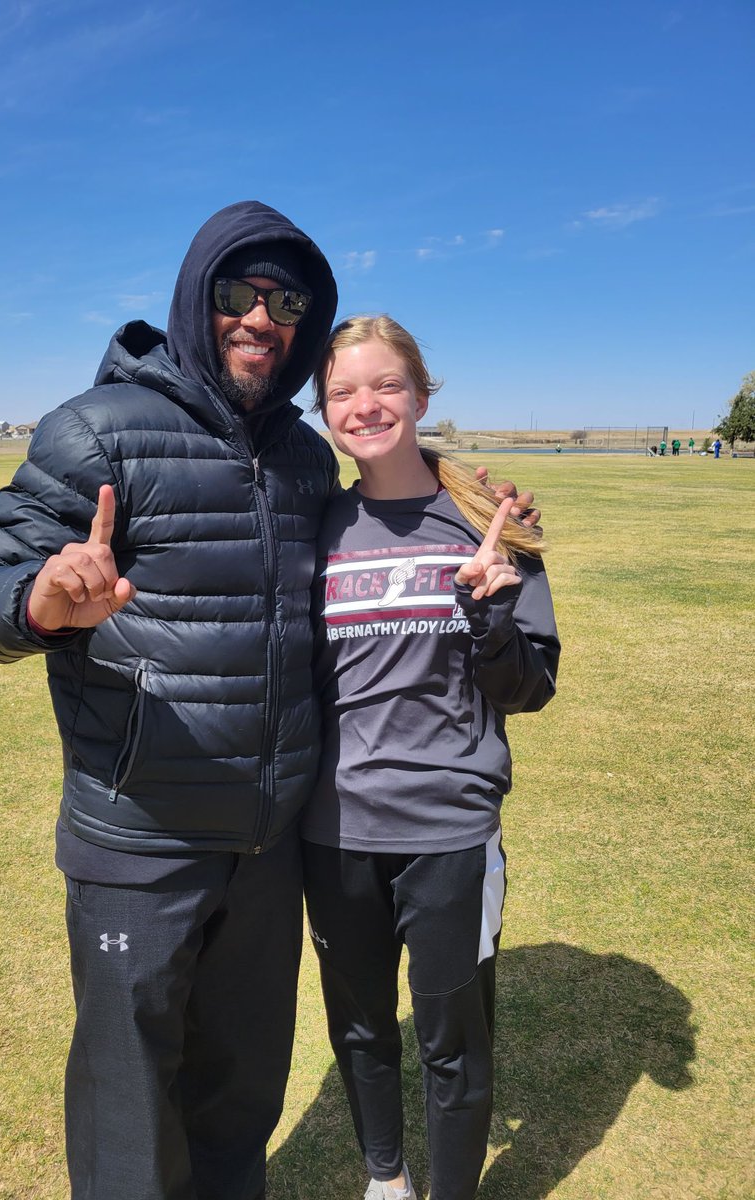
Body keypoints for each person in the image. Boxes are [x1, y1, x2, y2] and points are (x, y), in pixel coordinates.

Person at [0, 203, 540, 1200]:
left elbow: (389, 505)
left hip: (269, 849)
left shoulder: (305, 459)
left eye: (287, 300)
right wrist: (36, 601)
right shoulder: (96, 431)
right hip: (142, 839)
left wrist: (488, 506)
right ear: (194, 299)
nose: (261, 317)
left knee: (239, 1101)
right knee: (131, 1109)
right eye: (236, 294)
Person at [300, 316, 560, 1200]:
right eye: (342, 391)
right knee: (363, 1027)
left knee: (453, 1039)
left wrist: (491, 610)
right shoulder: (317, 525)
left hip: (450, 831)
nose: (365, 405)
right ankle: (385, 1179)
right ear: (322, 407)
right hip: (333, 829)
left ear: (419, 392)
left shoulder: (490, 520)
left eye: (385, 385)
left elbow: (531, 687)